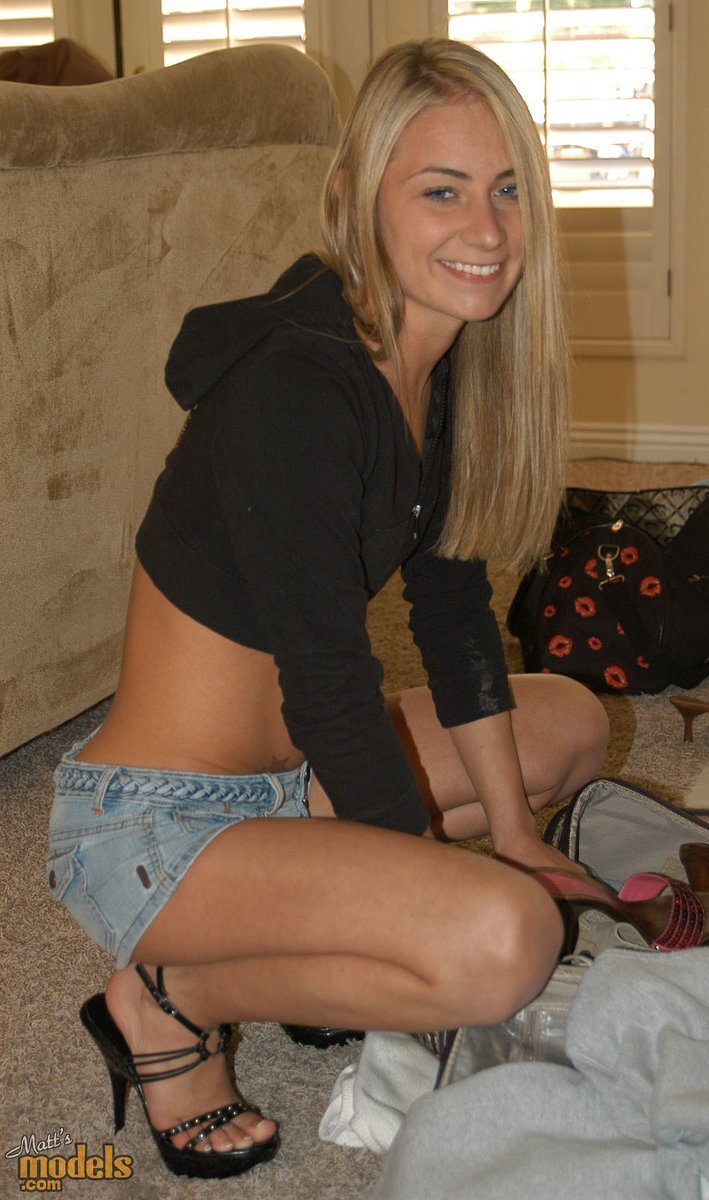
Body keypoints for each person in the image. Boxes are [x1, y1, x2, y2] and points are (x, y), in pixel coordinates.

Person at [47, 37, 608, 1180]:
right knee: (507, 939)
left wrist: (511, 836)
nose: (487, 228)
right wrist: (434, 887)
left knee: (568, 726)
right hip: (155, 834)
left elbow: (453, 615)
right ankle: (170, 996)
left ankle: (314, 947)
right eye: (442, 191)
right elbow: (332, 685)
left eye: (507, 190)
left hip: (286, 789)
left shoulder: (437, 372)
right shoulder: (302, 387)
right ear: (356, 200)